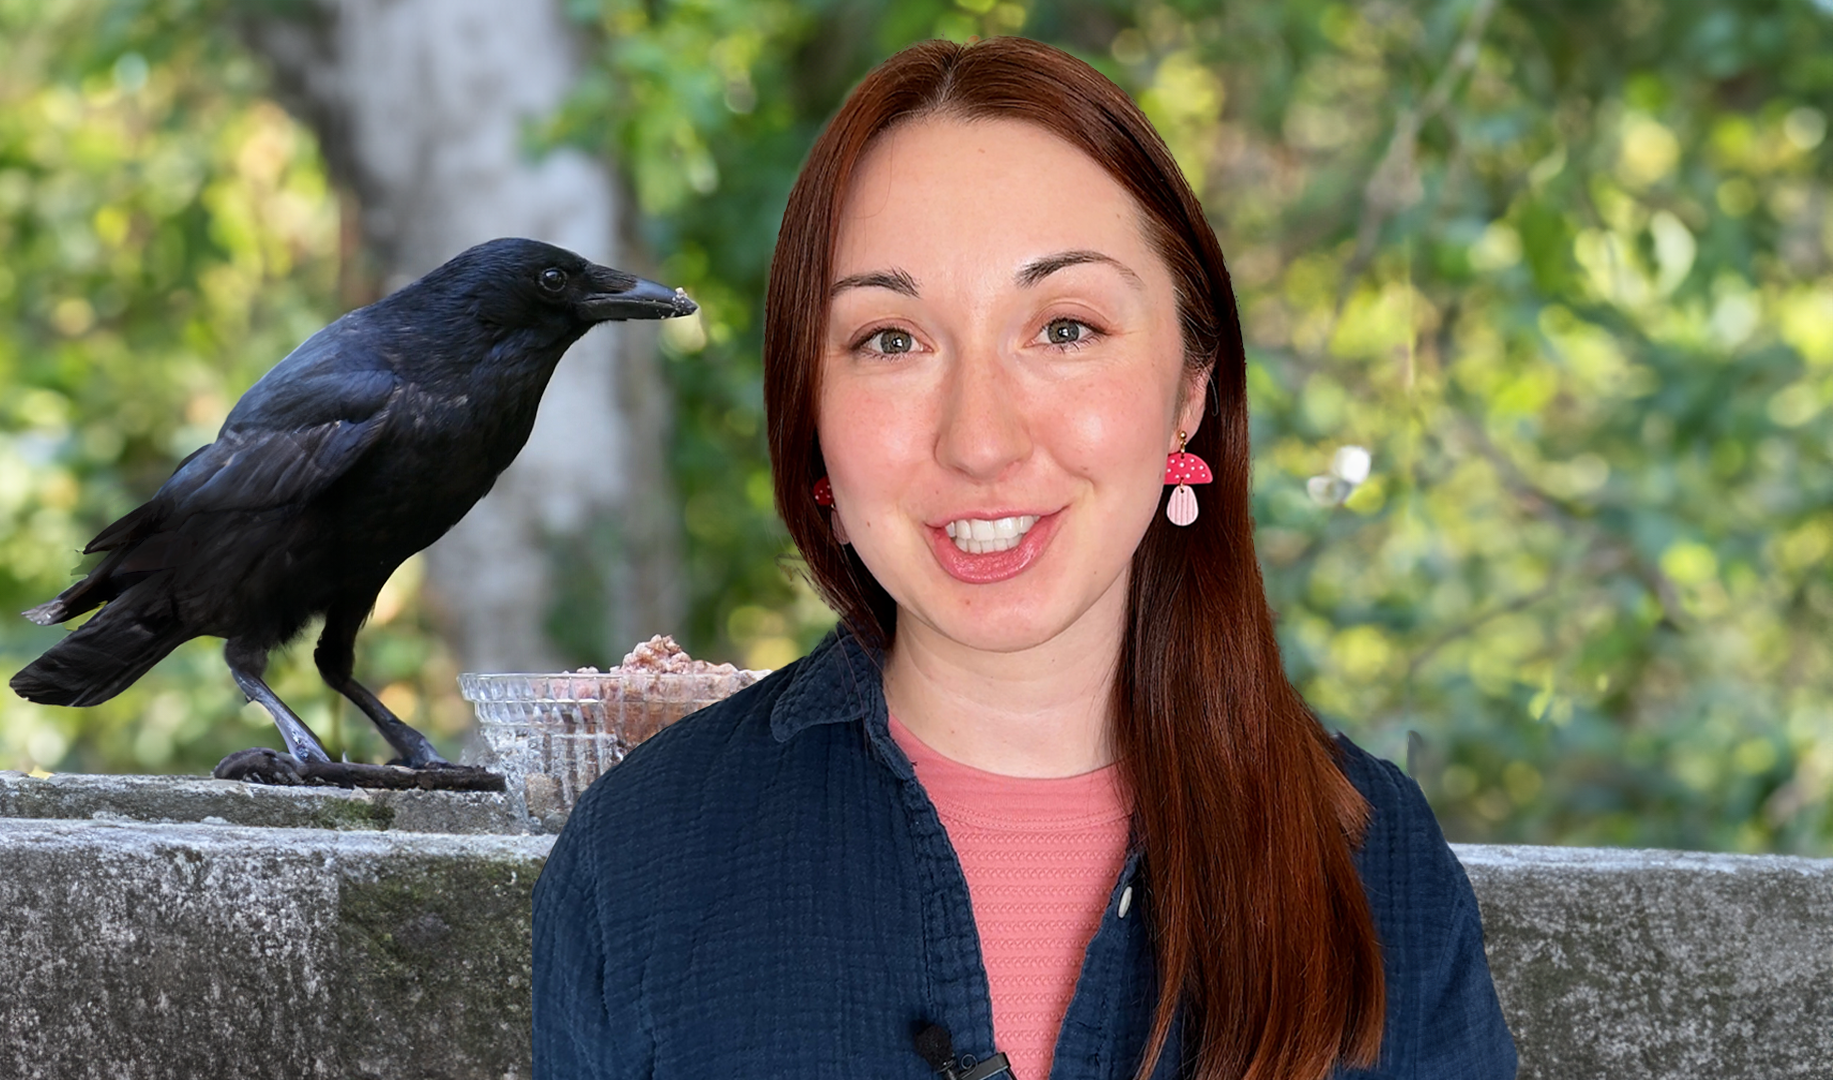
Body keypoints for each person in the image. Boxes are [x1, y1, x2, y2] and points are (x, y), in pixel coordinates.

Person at [532, 35, 1517, 1080]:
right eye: (891, 340)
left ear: (1190, 387)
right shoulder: (641, 859)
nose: (981, 441)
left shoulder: (1370, 864)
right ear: (811, 415)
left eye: (1064, 328)